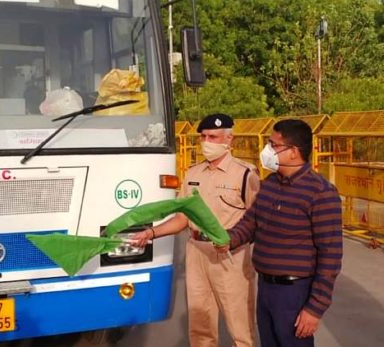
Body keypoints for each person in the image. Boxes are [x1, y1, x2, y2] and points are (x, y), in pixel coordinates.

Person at [131, 113, 260, 347]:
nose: (206, 142)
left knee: (240, 326)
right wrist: (151, 233)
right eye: (203, 136)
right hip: (196, 252)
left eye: (213, 137)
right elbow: (182, 219)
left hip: (230, 255)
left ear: (229, 139)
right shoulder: (192, 174)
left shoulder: (245, 175)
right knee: (201, 326)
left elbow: (256, 219)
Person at [216, 119, 343, 347]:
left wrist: (314, 309)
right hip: (266, 288)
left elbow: (330, 256)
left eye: (273, 145)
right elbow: (251, 223)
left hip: (294, 292)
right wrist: (228, 239)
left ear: (293, 152)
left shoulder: (320, 193)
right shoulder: (270, 184)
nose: (267, 150)